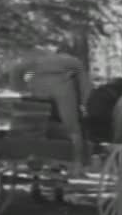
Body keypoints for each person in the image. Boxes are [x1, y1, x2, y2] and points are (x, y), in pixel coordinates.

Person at [7, 47, 91, 177]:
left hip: (39, 90)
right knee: (72, 128)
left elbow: (19, 72)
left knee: (38, 127)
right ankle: (77, 163)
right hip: (63, 89)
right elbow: (81, 76)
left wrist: (22, 87)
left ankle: (38, 162)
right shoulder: (69, 62)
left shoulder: (34, 63)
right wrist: (85, 100)